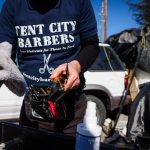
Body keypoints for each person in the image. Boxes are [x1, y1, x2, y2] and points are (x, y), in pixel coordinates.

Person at [0, 0, 99, 136]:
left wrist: (76, 66)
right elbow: (4, 53)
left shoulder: (79, 2)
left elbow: (92, 44)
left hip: (72, 111)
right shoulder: (12, 5)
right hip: (32, 112)